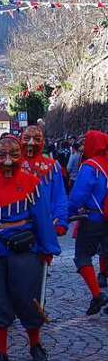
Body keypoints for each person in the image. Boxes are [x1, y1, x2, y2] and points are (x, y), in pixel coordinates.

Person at [0, 134, 60, 361]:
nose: (8, 161)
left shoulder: (31, 183)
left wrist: (47, 246)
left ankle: (35, 344)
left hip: (25, 252)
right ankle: (1, 352)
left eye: (13, 155)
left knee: (30, 300)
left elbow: (41, 216)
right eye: (2, 155)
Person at [66, 129, 108, 315]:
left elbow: (78, 196)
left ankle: (97, 295)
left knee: (82, 256)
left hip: (94, 218)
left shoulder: (91, 166)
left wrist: (68, 213)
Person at [20, 125, 69, 234]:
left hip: (45, 225)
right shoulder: (13, 165)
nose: (31, 143)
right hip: (17, 227)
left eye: (36, 139)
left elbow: (59, 196)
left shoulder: (52, 166)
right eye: (27, 138)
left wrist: (60, 220)